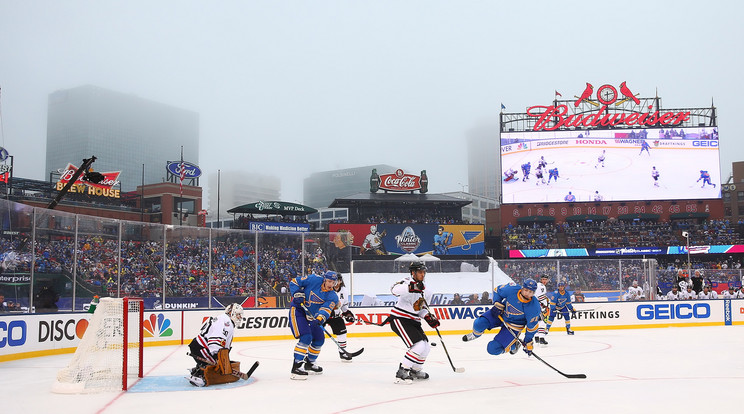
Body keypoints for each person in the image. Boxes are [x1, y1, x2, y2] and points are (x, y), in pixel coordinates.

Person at [462, 279, 541, 359]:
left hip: (514, 326)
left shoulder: (534, 307)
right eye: (526, 290)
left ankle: (514, 346)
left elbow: (532, 327)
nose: (527, 293)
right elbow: (497, 290)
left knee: (492, 349)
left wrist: (527, 341)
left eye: (530, 292)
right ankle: (475, 335)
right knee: (478, 324)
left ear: (533, 293)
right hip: (500, 314)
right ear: (522, 288)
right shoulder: (512, 289)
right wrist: (497, 302)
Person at [389, 261, 438, 384]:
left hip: (413, 320)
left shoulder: (427, 291)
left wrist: (428, 317)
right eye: (420, 272)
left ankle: (415, 370)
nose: (422, 274)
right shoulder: (405, 282)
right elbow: (394, 290)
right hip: (400, 319)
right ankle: (402, 371)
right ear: (413, 272)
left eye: (424, 272)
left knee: (426, 347)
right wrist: (411, 287)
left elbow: (420, 309)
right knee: (418, 345)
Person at [288, 270, 339, 380]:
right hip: (298, 310)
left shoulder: (333, 296)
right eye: (329, 281)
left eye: (333, 282)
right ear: (324, 279)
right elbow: (294, 282)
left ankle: (309, 363)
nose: (331, 285)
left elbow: (326, 309)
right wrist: (297, 293)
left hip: (312, 317)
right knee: (306, 337)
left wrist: (320, 318)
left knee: (319, 339)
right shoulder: (314, 279)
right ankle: (296, 367)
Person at [187, 303, 244, 387]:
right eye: (238, 314)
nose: (240, 317)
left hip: (200, 347)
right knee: (216, 364)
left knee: (218, 363)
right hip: (201, 348)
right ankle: (200, 375)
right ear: (232, 312)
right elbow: (215, 339)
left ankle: (199, 367)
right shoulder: (225, 321)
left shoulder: (225, 320)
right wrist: (217, 356)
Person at [326, 273, 357, 362]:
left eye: (338, 280)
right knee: (315, 334)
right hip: (323, 314)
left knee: (342, 332)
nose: (337, 282)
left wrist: (347, 313)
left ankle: (342, 352)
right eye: (335, 280)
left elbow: (344, 305)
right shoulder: (327, 288)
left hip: (335, 316)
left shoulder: (344, 290)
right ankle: (308, 354)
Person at [533, 275, 551, 345]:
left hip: (534, 306)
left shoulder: (537, 285)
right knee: (543, 322)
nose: (544, 281)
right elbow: (541, 298)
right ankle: (542, 338)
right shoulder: (542, 286)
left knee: (537, 322)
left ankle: (536, 337)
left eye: (545, 279)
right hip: (539, 307)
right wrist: (546, 305)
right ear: (541, 279)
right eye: (543, 279)